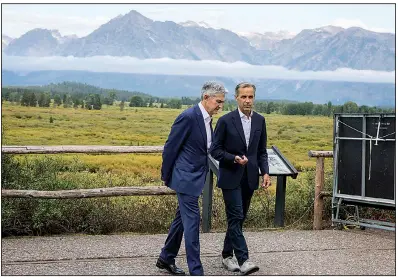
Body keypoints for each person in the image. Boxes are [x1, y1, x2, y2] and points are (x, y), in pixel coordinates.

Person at [156, 81, 226, 276]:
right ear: (206, 98)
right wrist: (166, 175)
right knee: (193, 223)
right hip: (185, 178)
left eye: (222, 102)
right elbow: (170, 148)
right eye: (218, 101)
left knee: (181, 219)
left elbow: (207, 150)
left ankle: (166, 257)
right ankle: (196, 271)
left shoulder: (207, 119)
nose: (220, 106)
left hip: (195, 178)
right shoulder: (188, 117)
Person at [210, 82, 271, 275]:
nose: (247, 100)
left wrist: (266, 172)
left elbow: (261, 151)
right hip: (230, 177)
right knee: (236, 216)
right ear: (236, 98)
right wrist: (233, 158)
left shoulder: (260, 121)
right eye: (243, 97)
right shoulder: (226, 121)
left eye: (250, 97)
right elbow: (215, 150)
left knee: (238, 219)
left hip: (250, 178)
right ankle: (244, 260)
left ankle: (227, 255)